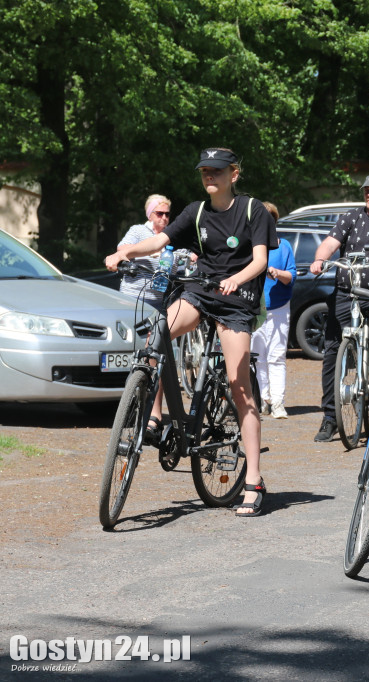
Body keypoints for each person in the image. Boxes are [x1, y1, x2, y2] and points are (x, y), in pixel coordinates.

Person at [104, 147, 275, 517]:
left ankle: (254, 481)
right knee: (159, 331)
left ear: (234, 173)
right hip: (201, 290)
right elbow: (160, 241)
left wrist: (237, 279)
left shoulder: (253, 210)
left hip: (238, 298)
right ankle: (154, 413)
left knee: (238, 384)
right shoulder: (195, 212)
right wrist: (126, 253)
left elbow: (260, 259)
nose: (209, 177)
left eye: (216, 171)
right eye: (204, 171)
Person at [309, 173, 369, 442]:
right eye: (367, 189)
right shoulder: (351, 217)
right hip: (346, 290)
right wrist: (320, 259)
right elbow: (331, 243)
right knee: (331, 351)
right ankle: (330, 417)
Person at [252, 202, 296, 419]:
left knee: (276, 356)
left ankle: (278, 402)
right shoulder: (250, 245)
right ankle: (264, 398)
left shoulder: (283, 246)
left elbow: (292, 277)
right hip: (255, 307)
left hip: (279, 306)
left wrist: (277, 273)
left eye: (269, 217)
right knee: (258, 357)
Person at [117, 194, 176, 309]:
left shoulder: (171, 237)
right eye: (160, 213)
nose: (164, 217)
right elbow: (122, 248)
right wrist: (150, 250)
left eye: (167, 214)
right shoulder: (138, 230)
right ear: (150, 215)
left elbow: (183, 257)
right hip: (132, 296)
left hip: (159, 300)